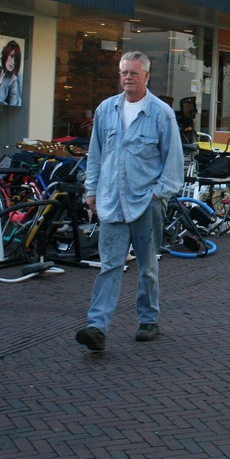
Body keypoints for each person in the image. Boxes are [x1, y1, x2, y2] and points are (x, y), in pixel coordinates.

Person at [75, 51, 184, 352]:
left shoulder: (161, 114)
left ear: (146, 76)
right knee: (109, 265)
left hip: (146, 202)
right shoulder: (106, 110)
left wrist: (158, 194)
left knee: (147, 266)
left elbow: (173, 162)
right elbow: (96, 155)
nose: (127, 78)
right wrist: (91, 191)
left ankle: (148, 319)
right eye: (124, 72)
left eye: (134, 73)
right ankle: (97, 327)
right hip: (111, 201)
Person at [0, 40, 23, 106]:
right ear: (6, 54)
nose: (13, 62)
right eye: (11, 56)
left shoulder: (13, 80)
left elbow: (13, 106)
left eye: (16, 59)